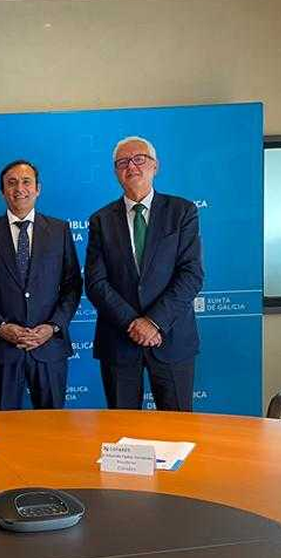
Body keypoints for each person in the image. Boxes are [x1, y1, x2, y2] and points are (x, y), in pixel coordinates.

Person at [85, 136, 204, 411]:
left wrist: (153, 322)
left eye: (140, 159)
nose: (132, 167)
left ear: (155, 166)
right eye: (123, 162)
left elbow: (191, 274)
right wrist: (133, 323)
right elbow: (95, 282)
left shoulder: (182, 212)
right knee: (124, 436)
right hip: (119, 340)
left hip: (172, 338)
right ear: (116, 171)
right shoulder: (100, 220)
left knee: (178, 431)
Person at [0, 160, 81, 410]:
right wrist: (2, 326)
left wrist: (52, 327)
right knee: (6, 429)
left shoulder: (59, 230)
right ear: (2, 191)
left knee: (53, 428)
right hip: (3, 349)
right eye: (12, 183)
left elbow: (72, 285)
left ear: (38, 188)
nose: (20, 188)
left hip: (49, 348)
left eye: (26, 182)